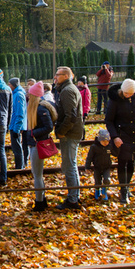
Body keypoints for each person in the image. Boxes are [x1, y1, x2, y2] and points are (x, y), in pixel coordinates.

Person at [105, 77, 135, 205]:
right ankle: (123, 190)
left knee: (132, 161)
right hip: (122, 135)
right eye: (126, 93)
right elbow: (109, 120)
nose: (128, 95)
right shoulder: (115, 100)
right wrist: (115, 136)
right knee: (123, 162)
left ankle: (127, 187)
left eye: (131, 93)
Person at [53, 66, 85, 209]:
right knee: (70, 165)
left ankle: (73, 200)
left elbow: (71, 116)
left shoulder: (67, 91)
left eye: (58, 75)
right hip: (71, 133)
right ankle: (74, 196)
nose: (55, 77)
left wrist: (61, 131)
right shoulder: (68, 89)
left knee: (70, 166)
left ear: (66, 76)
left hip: (70, 134)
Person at [27, 81, 57, 212]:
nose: (28, 95)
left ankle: (39, 202)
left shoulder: (41, 109)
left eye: (30, 94)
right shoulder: (37, 107)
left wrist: (33, 133)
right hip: (35, 143)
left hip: (38, 143)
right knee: (37, 173)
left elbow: (49, 126)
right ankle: (41, 199)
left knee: (37, 175)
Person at [85, 128, 113, 202]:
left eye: (107, 141)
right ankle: (97, 191)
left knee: (107, 179)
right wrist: (87, 167)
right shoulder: (94, 147)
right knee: (97, 181)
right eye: (103, 141)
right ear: (99, 140)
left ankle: (104, 192)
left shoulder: (109, 146)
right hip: (97, 167)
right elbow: (89, 157)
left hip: (106, 167)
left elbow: (115, 153)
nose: (105, 143)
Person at [8, 77, 29, 170]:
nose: (8, 86)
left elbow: (20, 113)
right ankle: (19, 165)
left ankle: (19, 167)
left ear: (13, 85)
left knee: (17, 147)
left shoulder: (18, 95)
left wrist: (16, 129)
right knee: (16, 147)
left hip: (16, 126)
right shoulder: (16, 94)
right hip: (14, 124)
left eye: (9, 84)